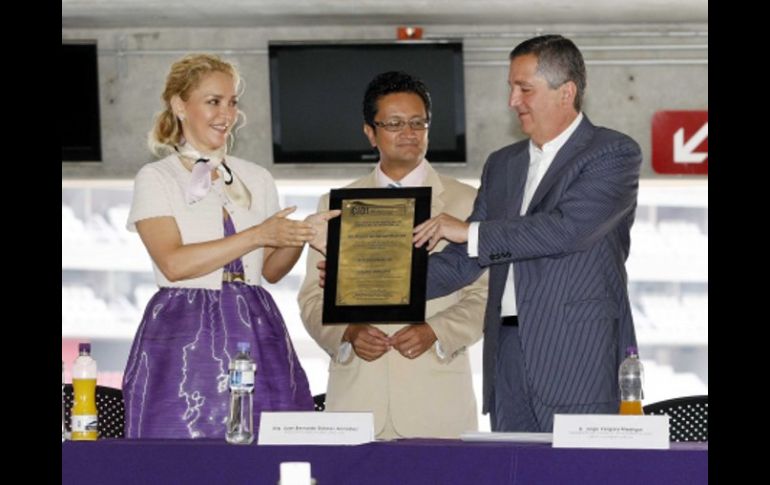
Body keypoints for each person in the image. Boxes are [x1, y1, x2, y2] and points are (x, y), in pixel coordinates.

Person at [413, 35, 643, 433]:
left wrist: (470, 232)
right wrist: (376, 285)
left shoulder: (613, 154)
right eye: (511, 88)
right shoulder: (502, 164)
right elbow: (466, 257)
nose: (512, 101)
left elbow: (565, 230)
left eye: (524, 89)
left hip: (577, 359)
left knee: (580, 476)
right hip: (506, 358)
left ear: (565, 92)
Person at [122, 53, 338, 439]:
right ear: (179, 105)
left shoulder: (256, 177)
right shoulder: (157, 177)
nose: (227, 113)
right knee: (178, 443)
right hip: (184, 322)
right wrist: (257, 235)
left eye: (233, 101)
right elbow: (173, 263)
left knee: (265, 439)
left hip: (253, 317)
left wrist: (301, 235)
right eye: (213, 101)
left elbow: (270, 270)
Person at [298, 71, 488, 439]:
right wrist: (348, 333)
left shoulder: (468, 201)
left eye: (419, 123)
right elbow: (311, 298)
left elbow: (485, 295)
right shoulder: (336, 203)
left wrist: (436, 331)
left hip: (437, 401)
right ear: (370, 132)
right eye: (395, 124)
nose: (410, 133)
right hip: (356, 399)